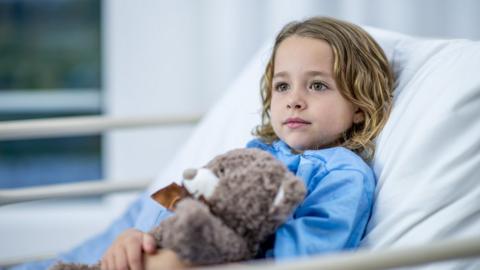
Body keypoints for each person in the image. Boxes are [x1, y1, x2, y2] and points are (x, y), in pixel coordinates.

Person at [13, 16, 393, 270]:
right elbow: (178, 197)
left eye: (317, 85)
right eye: (282, 85)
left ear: (359, 106)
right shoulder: (251, 152)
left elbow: (311, 255)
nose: (294, 98)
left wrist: (202, 257)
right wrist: (141, 238)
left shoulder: (344, 172)